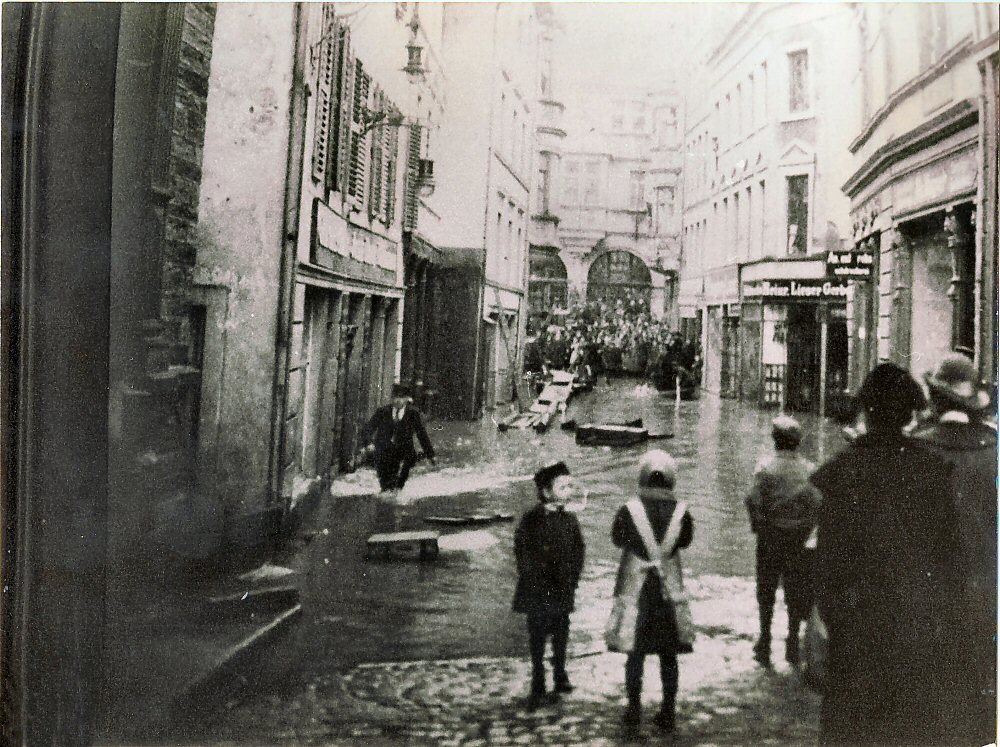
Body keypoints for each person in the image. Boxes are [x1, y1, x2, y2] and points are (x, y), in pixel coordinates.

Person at [810, 363, 962, 746]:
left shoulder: (840, 473)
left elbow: (825, 569)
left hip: (855, 633)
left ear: (866, 410)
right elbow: (950, 564)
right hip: (914, 634)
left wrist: (825, 626)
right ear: (910, 413)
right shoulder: (933, 472)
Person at [912, 353, 997, 745]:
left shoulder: (913, 451)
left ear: (934, 400)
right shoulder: (994, 453)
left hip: (925, 602)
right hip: (986, 601)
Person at [611, 450, 694, 733]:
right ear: (671, 480)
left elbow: (617, 539)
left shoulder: (629, 509)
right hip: (667, 591)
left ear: (643, 477)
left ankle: (633, 709)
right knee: (668, 654)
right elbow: (685, 541)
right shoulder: (682, 511)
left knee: (634, 653)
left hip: (638, 591)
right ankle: (668, 711)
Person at [744, 415, 821, 667]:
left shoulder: (765, 468)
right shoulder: (809, 470)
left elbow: (752, 501)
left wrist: (760, 527)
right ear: (797, 442)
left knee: (766, 589)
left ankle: (765, 639)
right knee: (795, 590)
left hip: (771, 538)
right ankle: (792, 641)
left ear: (775, 440)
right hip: (798, 540)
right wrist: (805, 528)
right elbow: (817, 505)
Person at [511, 461, 586, 710]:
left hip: (562, 586)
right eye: (562, 487)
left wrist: (574, 576)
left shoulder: (570, 519)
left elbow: (579, 549)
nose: (569, 491)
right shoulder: (531, 519)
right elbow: (521, 548)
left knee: (561, 630)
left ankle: (560, 673)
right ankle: (538, 676)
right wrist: (529, 574)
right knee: (537, 633)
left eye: (570, 486)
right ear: (546, 492)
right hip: (537, 587)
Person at [360, 383, 435, 492]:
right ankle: (386, 493)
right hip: (384, 452)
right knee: (385, 484)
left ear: (407, 399)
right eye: (395, 397)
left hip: (404, 454)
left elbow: (421, 434)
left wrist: (430, 455)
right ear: (391, 398)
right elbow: (367, 429)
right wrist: (369, 443)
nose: (398, 400)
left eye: (401, 397)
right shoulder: (382, 412)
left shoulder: (413, 414)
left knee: (399, 483)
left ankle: (397, 491)